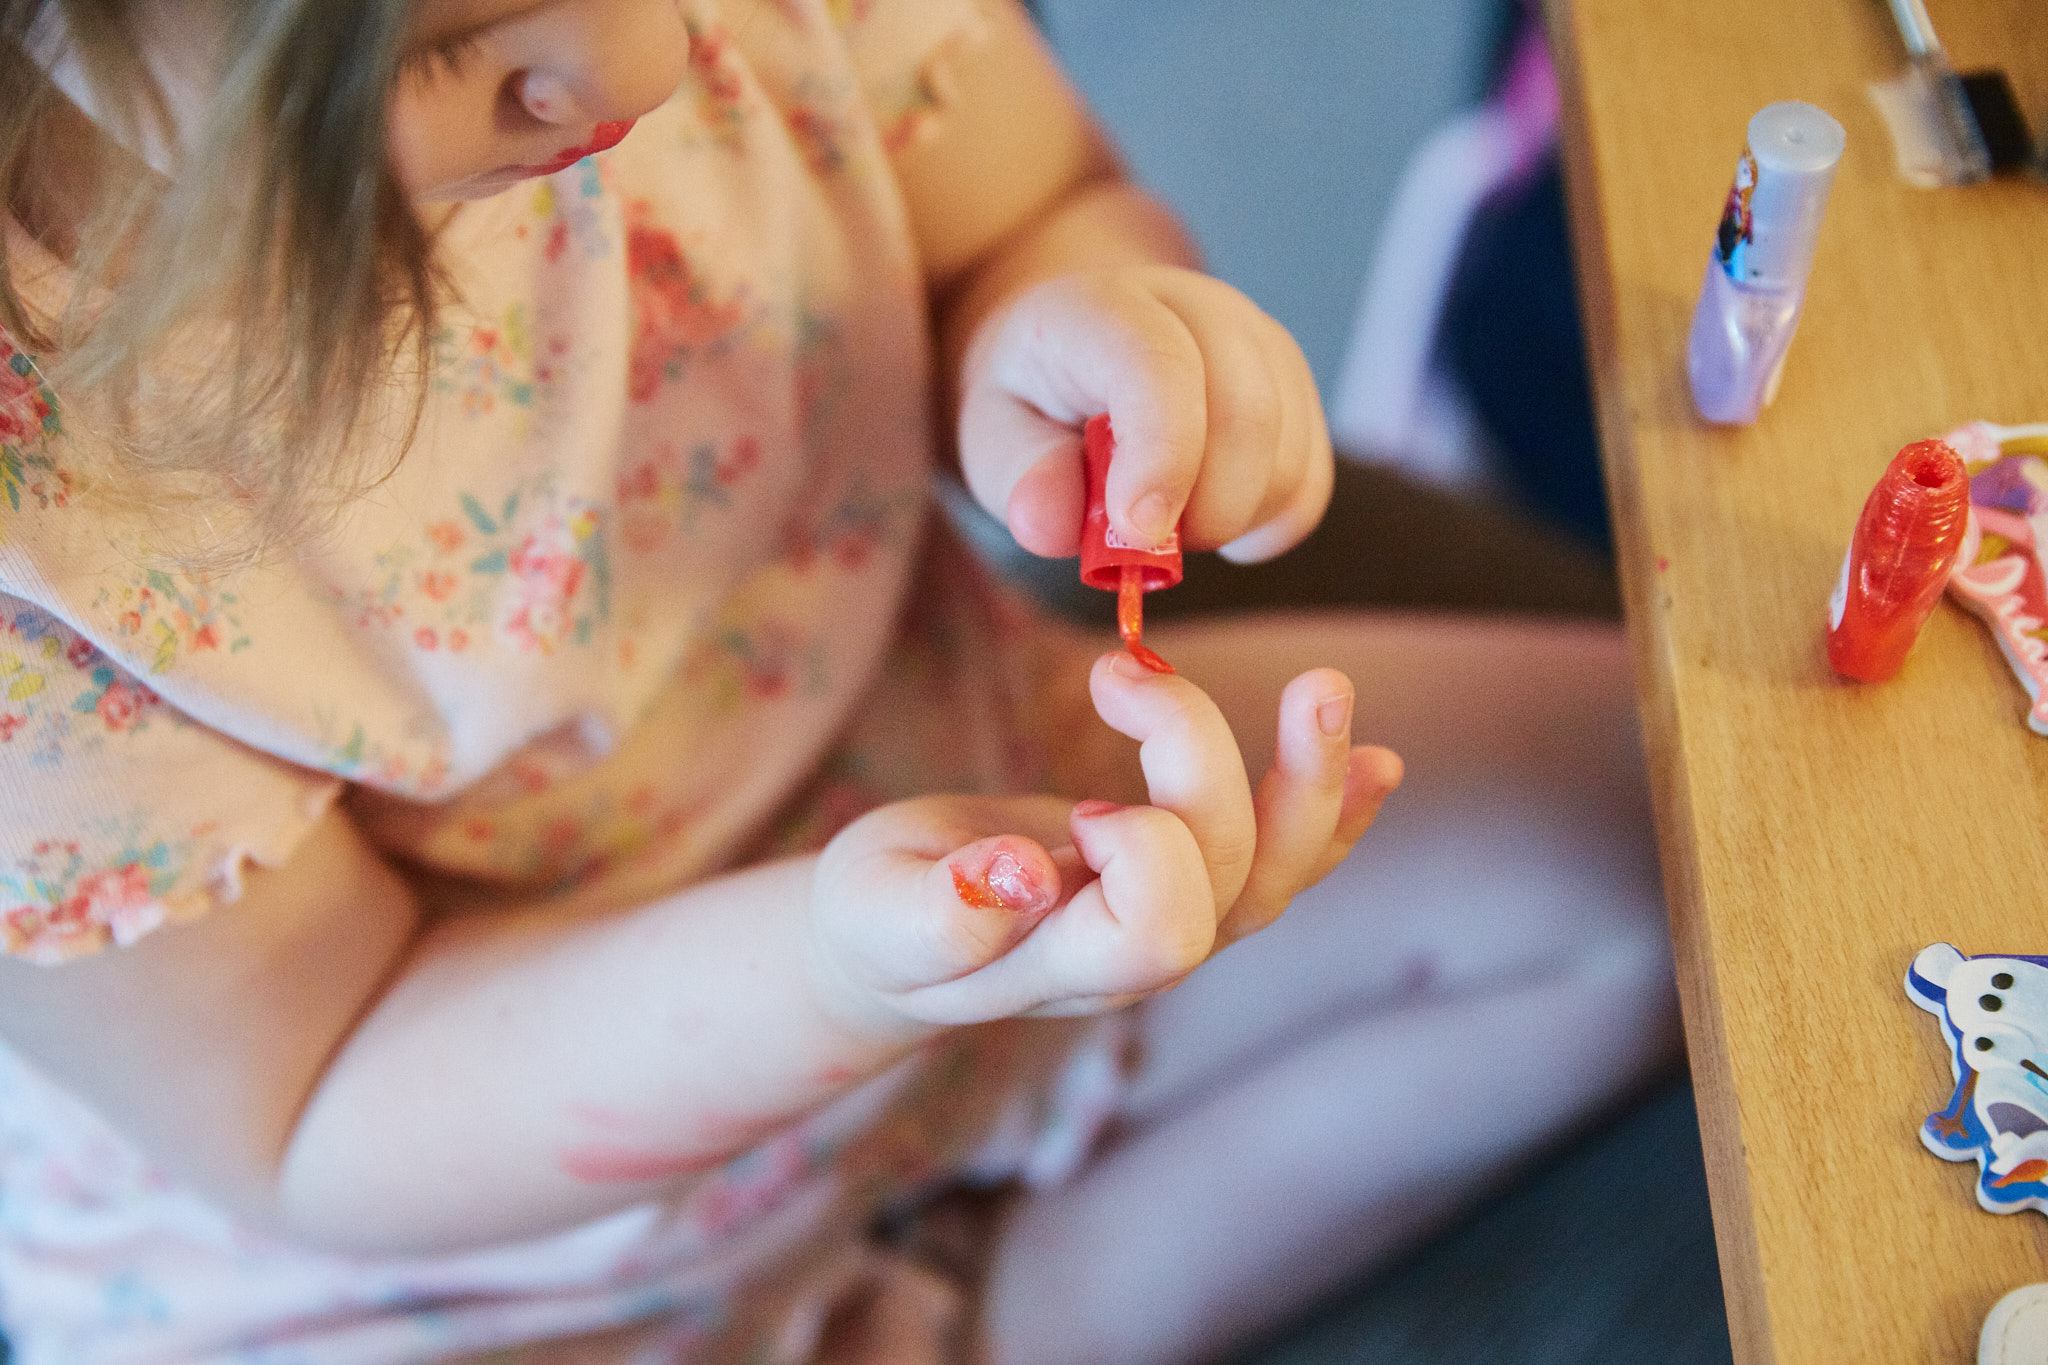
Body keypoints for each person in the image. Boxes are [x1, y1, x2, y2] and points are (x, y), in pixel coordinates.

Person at [0, 1, 1680, 1361]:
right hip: (455, 1246)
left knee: (1673, 858)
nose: (649, 61)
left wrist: (1098, 319)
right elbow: (320, 1105)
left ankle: (981, 1309)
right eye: (440, 40)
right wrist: (840, 970)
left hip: (937, 779)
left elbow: (1029, 204)